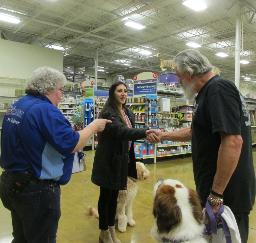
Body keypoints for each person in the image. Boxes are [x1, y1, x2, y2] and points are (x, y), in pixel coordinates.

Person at [0, 66, 111, 243]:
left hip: (11, 184)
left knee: (21, 237)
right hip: (36, 189)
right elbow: (72, 143)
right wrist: (93, 126)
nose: (62, 95)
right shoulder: (45, 110)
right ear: (49, 89)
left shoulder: (17, 105)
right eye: (61, 89)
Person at [159, 49, 255, 243]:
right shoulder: (207, 94)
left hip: (228, 194)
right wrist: (164, 135)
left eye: (179, 75)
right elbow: (197, 131)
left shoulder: (217, 90)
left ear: (190, 71)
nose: (178, 81)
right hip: (218, 190)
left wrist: (216, 194)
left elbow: (233, 142)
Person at [91, 81, 159, 243]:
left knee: (115, 198)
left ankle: (111, 230)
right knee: (106, 197)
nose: (123, 94)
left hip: (121, 161)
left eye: (125, 91)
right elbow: (121, 131)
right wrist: (144, 132)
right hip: (108, 162)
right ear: (112, 93)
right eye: (119, 91)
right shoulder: (108, 113)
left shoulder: (127, 111)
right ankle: (104, 232)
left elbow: (127, 134)